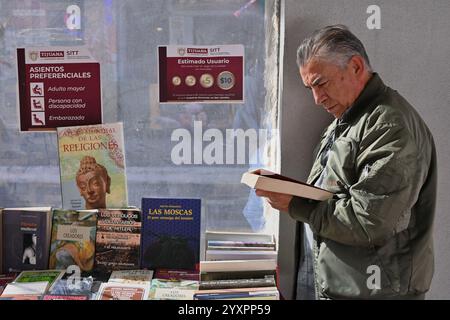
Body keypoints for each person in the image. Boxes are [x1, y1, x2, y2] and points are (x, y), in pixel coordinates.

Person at [256, 25, 437, 300]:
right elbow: (331, 196)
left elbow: (368, 221)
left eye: (321, 83)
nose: (317, 99)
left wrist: (295, 205)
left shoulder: (389, 126)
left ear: (355, 66)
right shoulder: (347, 121)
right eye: (310, 88)